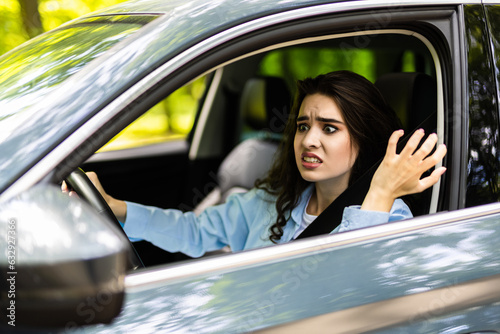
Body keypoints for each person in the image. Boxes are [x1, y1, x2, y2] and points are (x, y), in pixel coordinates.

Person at [68, 71, 447, 258]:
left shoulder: (390, 215)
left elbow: (351, 295)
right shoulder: (273, 200)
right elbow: (193, 231)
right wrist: (116, 208)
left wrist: (379, 191)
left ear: (362, 138)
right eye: (303, 126)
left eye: (329, 128)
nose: (309, 140)